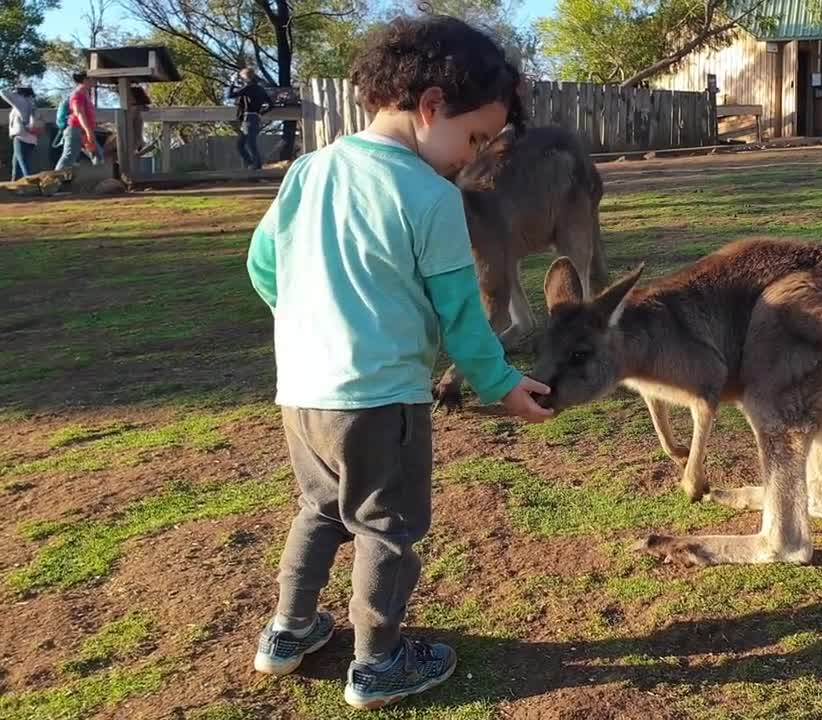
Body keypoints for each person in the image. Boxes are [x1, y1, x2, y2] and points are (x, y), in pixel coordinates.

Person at [245, 15, 552, 711]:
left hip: (302, 391)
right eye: (473, 138)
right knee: (386, 526)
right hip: (382, 398)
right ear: (431, 104)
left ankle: (287, 634)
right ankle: (378, 662)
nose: (468, 159)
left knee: (320, 510)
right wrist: (502, 385)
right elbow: (462, 318)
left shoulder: (307, 170)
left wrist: (309, 327)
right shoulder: (430, 196)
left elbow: (263, 265)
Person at [55, 71, 103, 171]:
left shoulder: (85, 94)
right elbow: (79, 113)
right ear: (85, 80)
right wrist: (88, 131)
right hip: (76, 130)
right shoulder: (77, 94)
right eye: (92, 79)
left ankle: (98, 179)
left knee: (97, 155)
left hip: (82, 131)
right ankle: (54, 179)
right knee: (69, 157)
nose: (95, 81)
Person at [228, 68, 273, 170]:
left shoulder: (248, 88)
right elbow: (271, 105)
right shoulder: (260, 89)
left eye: (242, 77)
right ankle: (253, 165)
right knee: (244, 144)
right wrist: (261, 113)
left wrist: (232, 82)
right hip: (255, 118)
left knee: (249, 144)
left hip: (248, 118)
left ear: (246, 77)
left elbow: (230, 95)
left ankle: (256, 167)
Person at [2, 86, 39, 180]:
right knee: (17, 164)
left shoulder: (22, 102)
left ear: (21, 94)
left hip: (22, 137)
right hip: (31, 138)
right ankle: (15, 186)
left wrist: (14, 92)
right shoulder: (31, 103)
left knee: (23, 164)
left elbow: (3, 92)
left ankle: (32, 184)